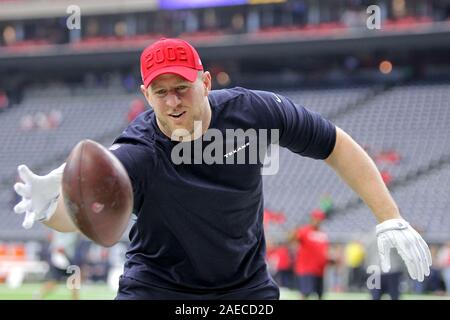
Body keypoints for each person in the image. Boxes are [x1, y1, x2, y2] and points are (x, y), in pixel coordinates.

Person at [13, 38, 432, 300]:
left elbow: (335, 144)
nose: (174, 102)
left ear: (207, 82)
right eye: (161, 93)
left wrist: (389, 218)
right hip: (157, 288)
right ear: (145, 94)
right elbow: (87, 216)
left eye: (182, 88)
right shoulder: (137, 151)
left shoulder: (255, 112)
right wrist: (54, 205)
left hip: (245, 286)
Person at [291, 210, 329, 299]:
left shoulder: (323, 234)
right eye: (316, 219)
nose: (318, 221)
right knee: (305, 294)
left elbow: (324, 251)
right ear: (311, 219)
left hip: (319, 270)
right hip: (306, 269)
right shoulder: (304, 231)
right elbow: (292, 239)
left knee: (320, 294)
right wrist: (294, 232)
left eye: (320, 219)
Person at [35, 230, 79, 300]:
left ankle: (39, 295)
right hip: (60, 258)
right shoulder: (61, 228)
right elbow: (59, 245)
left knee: (73, 282)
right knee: (54, 282)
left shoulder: (69, 228)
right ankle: (39, 295)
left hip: (67, 257)